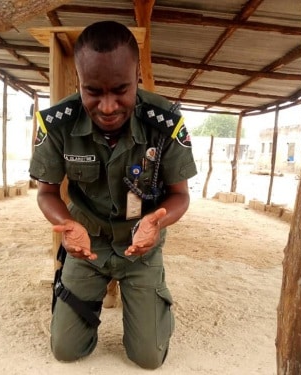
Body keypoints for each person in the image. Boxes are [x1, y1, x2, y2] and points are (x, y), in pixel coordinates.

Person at [29, 20, 197, 369]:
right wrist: (66, 224)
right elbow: (46, 192)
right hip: (87, 243)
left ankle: (149, 303)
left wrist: (156, 220)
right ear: (78, 82)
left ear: (137, 77)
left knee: (148, 358)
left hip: (141, 244)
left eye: (120, 90)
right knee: (65, 350)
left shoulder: (165, 123)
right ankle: (80, 301)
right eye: (93, 91)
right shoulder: (57, 123)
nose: (107, 106)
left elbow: (180, 195)